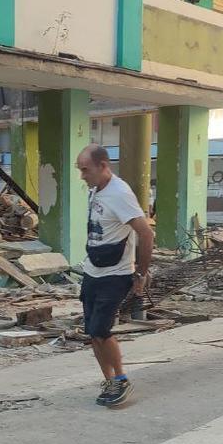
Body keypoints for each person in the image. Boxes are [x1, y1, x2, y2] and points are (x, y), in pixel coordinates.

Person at [77, 144, 155, 407]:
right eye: (80, 170)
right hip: (93, 270)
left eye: (85, 170)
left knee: (102, 329)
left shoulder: (120, 194)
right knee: (92, 331)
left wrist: (140, 273)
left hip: (116, 273)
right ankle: (109, 381)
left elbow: (146, 233)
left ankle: (121, 378)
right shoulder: (95, 190)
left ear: (103, 166)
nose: (82, 176)